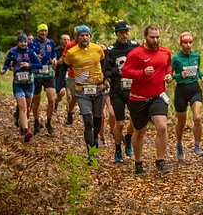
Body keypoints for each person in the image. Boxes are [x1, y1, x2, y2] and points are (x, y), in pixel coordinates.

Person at [121, 24, 174, 174]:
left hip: (157, 96)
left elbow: (168, 66)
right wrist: (142, 72)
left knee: (162, 127)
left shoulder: (165, 51)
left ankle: (160, 160)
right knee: (140, 131)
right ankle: (138, 162)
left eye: (158, 37)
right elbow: (125, 72)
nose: (156, 40)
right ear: (146, 37)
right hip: (138, 98)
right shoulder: (136, 53)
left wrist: (168, 75)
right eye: (152, 37)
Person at [62, 25, 108, 165]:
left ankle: (94, 138)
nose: (85, 38)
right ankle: (91, 153)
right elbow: (64, 67)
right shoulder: (72, 53)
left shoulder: (98, 49)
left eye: (87, 35)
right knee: (88, 121)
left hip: (98, 90)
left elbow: (104, 63)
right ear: (77, 37)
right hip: (82, 91)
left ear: (90, 36)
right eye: (82, 35)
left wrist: (106, 79)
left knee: (97, 121)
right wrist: (63, 86)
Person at [102, 20, 139, 163]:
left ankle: (128, 139)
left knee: (136, 120)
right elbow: (106, 68)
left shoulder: (135, 46)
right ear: (116, 34)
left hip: (133, 88)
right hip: (117, 90)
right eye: (121, 32)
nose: (125, 35)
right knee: (121, 123)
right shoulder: (111, 50)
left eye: (126, 32)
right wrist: (107, 78)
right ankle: (118, 149)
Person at [171, 31, 203, 160]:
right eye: (185, 43)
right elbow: (169, 75)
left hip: (194, 89)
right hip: (181, 91)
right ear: (181, 43)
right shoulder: (176, 58)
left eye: (190, 42)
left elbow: (197, 69)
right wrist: (178, 75)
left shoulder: (196, 56)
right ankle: (179, 144)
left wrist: (202, 77)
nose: (188, 45)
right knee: (181, 122)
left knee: (197, 118)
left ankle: (197, 146)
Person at [1, 33, 43, 142]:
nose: (23, 43)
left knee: (27, 107)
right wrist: (4, 70)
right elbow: (6, 63)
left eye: (25, 42)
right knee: (22, 106)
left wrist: (29, 65)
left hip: (29, 84)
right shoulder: (13, 52)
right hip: (18, 83)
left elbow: (40, 65)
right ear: (18, 42)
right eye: (21, 41)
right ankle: (26, 131)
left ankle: (22, 124)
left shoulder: (30, 52)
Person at [28, 23, 58, 135]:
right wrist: (34, 59)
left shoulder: (50, 42)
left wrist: (54, 58)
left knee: (51, 98)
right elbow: (28, 56)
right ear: (38, 32)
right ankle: (36, 121)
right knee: (37, 101)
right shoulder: (32, 44)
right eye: (41, 31)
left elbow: (53, 52)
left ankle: (49, 122)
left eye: (45, 31)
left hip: (48, 72)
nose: (44, 33)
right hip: (36, 74)